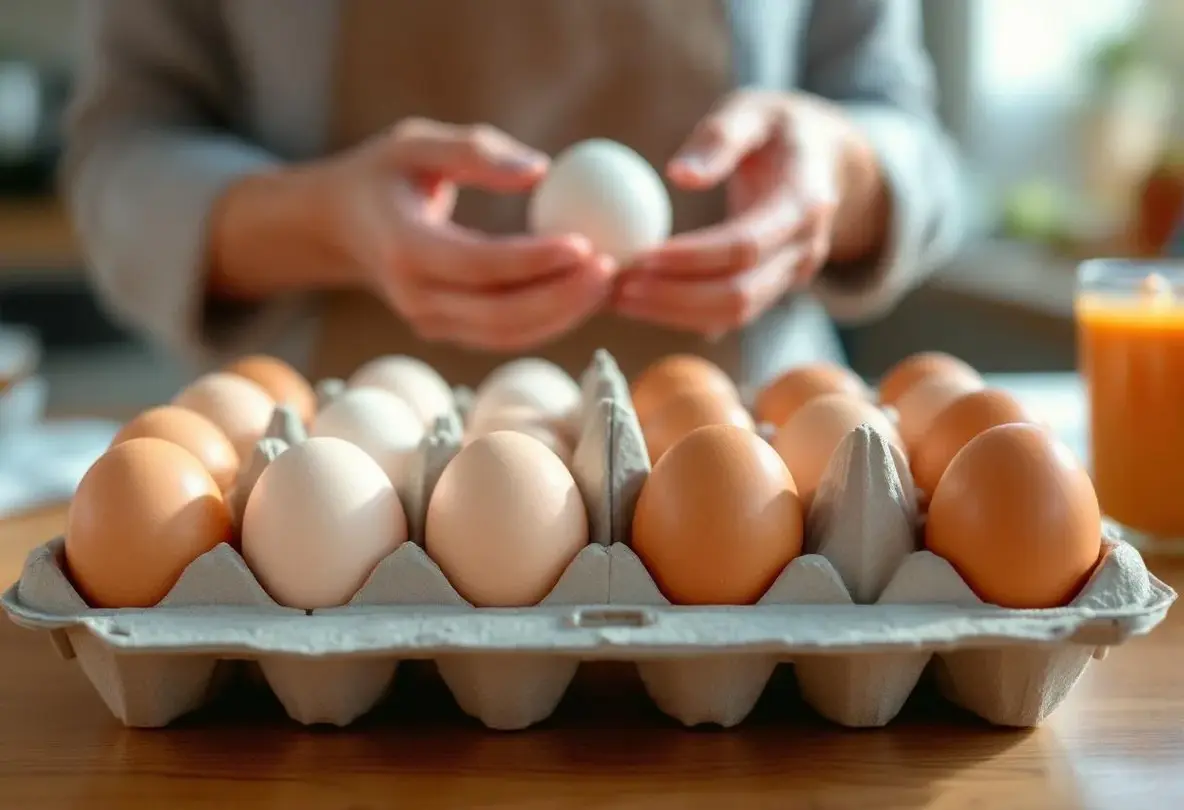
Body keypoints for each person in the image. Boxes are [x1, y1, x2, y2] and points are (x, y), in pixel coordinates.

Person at [63, 0, 965, 389]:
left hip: (749, 461)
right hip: (326, 470)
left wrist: (840, 175)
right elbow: (123, 147)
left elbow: (908, 134)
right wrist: (324, 224)